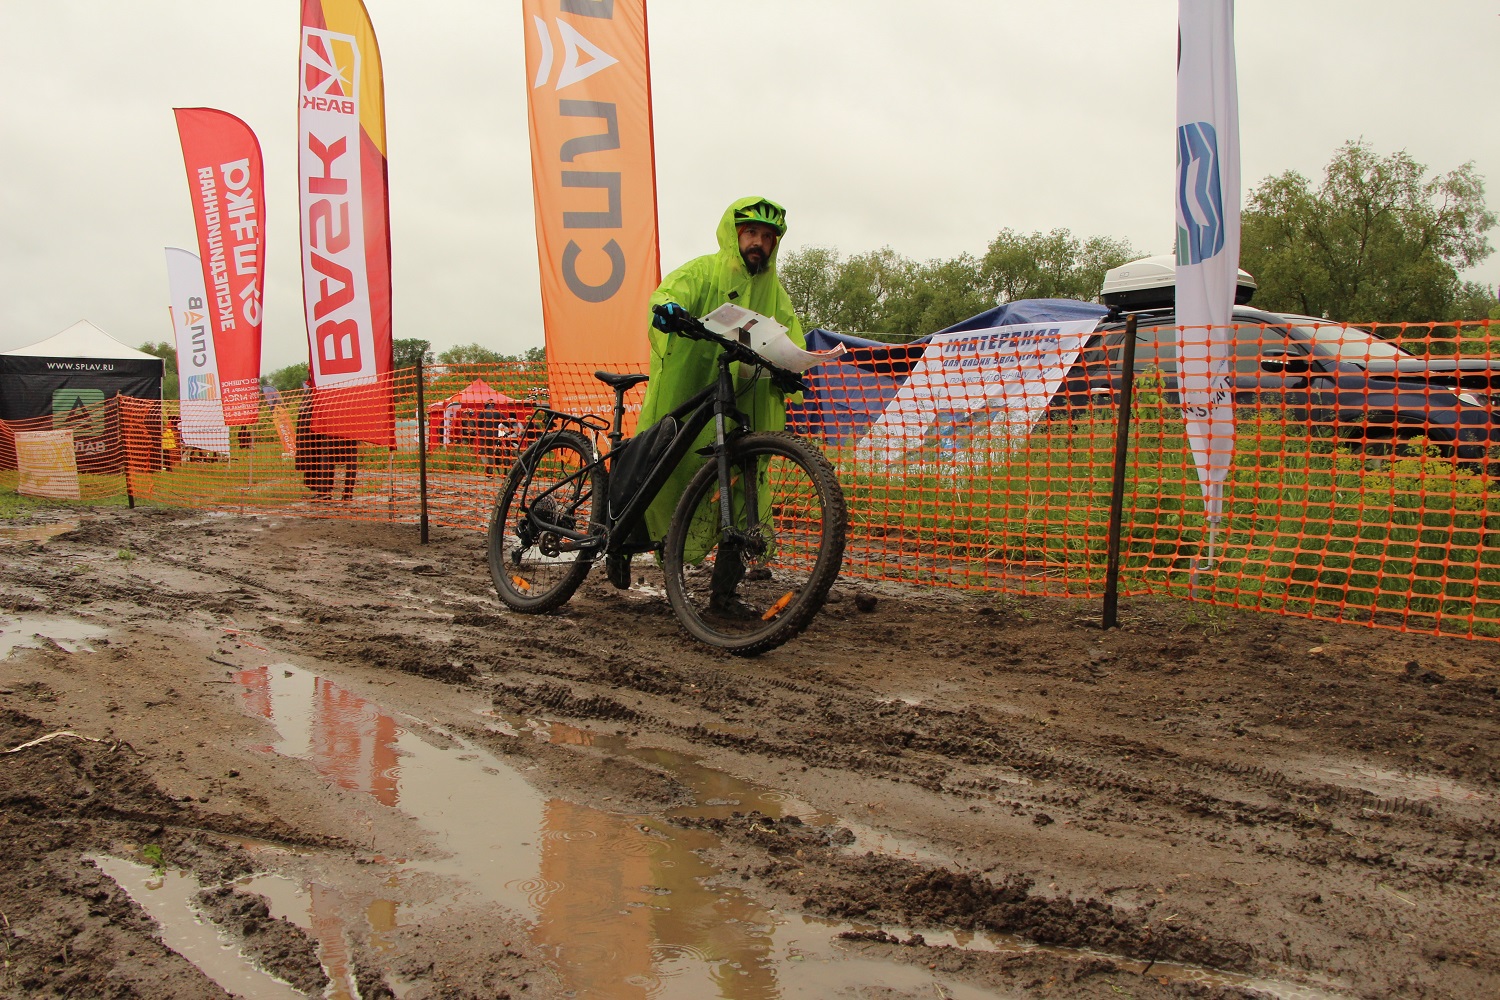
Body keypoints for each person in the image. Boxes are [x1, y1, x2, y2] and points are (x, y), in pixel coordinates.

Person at [631, 196, 807, 606]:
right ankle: (620, 545)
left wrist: (794, 368)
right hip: (692, 391)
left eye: (768, 236)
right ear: (734, 234)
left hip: (742, 403)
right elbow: (668, 294)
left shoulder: (775, 294)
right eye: (751, 232)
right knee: (662, 472)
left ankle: (724, 594)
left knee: (744, 488)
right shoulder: (703, 271)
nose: (759, 242)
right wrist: (667, 310)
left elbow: (791, 337)